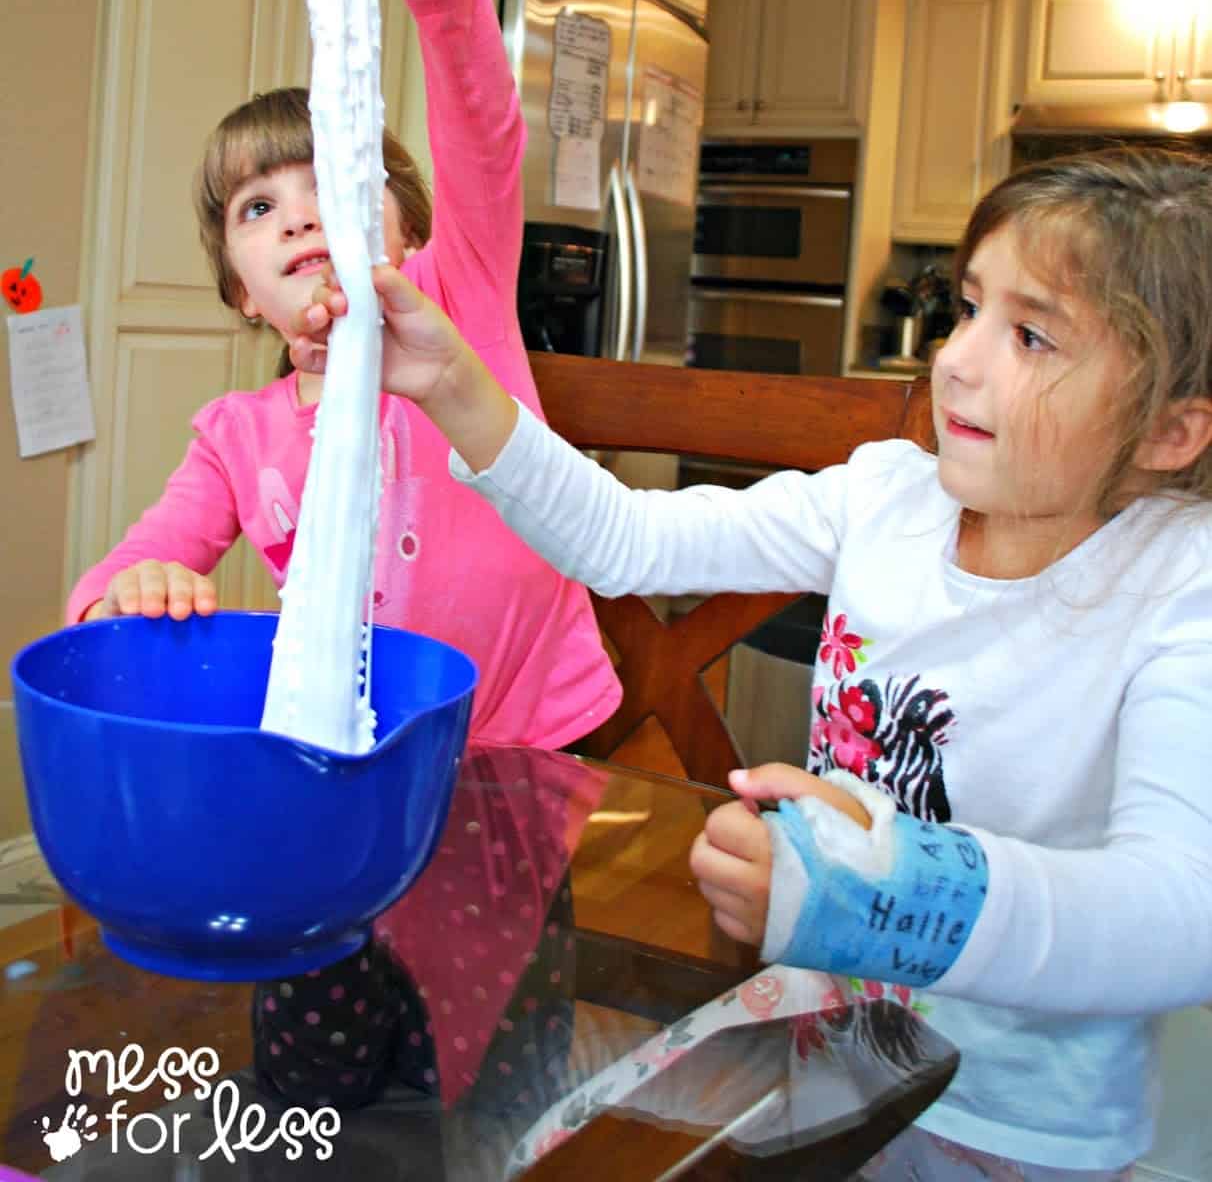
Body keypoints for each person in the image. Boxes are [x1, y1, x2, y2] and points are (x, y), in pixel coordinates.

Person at [291, 144, 1212, 1179]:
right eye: (968, 308)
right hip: (829, 1055)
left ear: (1171, 429)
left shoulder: (1182, 587)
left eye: (1034, 335)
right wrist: (453, 381)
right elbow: (629, 539)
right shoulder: (885, 497)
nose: (958, 358)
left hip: (1008, 1132)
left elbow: (1182, 907)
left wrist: (887, 889)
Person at [64, 0, 621, 753]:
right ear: (242, 292)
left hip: (532, 743)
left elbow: (482, 126)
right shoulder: (235, 438)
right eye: (260, 206)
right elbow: (131, 566)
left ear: (408, 226)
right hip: (358, 756)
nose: (301, 220)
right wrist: (131, 587)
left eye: (336, 183)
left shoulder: (459, 298)